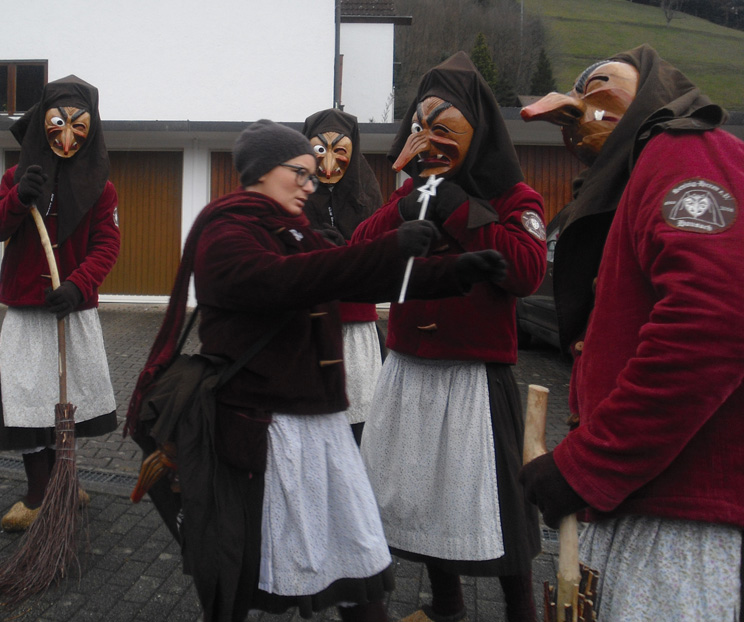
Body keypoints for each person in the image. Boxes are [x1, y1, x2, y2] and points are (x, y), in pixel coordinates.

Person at [126, 119, 508, 622]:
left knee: (355, 556)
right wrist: (390, 245)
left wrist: (454, 272)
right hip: (262, 427)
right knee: (241, 562)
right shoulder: (225, 230)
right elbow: (284, 280)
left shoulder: (293, 229)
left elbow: (355, 274)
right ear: (262, 171)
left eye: (312, 175)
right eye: (300, 173)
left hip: (319, 424)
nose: (312, 184)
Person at [518, 44, 744, 621]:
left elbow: (711, 319)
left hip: (683, 524)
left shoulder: (684, 150)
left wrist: (588, 465)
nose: (577, 126)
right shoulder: (641, 172)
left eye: (593, 98)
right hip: (645, 506)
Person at [354, 53, 547, 622]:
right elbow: (360, 253)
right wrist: (409, 201)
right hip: (409, 366)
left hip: (474, 375)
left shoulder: (515, 198)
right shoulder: (410, 194)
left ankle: (521, 613)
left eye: (444, 130)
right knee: (423, 494)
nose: (430, 142)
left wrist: (458, 207)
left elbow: (526, 271)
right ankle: (447, 606)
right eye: (421, 128)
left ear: (477, 131)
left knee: (500, 501)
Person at [0, 74, 120, 532]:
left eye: (79, 125)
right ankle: (39, 493)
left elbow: (108, 244)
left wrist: (79, 285)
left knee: (67, 401)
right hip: (26, 312)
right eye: (59, 123)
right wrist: (18, 198)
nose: (67, 136)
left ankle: (66, 482)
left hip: (71, 312)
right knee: (26, 401)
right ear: (43, 121)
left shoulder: (103, 187)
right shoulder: (16, 176)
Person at [300, 107, 384, 443]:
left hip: (356, 329)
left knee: (357, 422)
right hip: (307, 328)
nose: (329, 164)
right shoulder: (296, 193)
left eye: (340, 150)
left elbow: (381, 259)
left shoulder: (368, 194)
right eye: (319, 150)